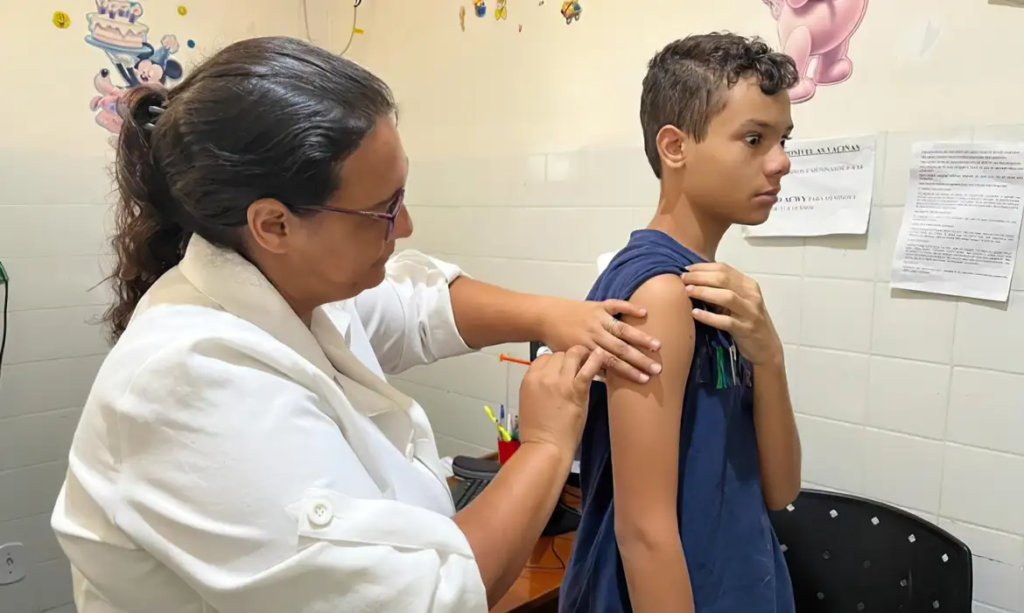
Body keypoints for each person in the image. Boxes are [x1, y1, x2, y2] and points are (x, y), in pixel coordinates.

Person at [50, 37, 666, 613]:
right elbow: (428, 599)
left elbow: (417, 305)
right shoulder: (189, 382)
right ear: (274, 224)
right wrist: (546, 445)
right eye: (383, 208)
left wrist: (551, 314)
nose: (405, 227)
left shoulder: (293, 285)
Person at [559, 33, 803, 612]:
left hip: (738, 581)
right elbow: (643, 533)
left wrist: (768, 354)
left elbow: (780, 487)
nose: (781, 162)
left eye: (783, 139)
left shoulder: (721, 293)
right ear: (675, 146)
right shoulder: (660, 294)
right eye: (753, 139)